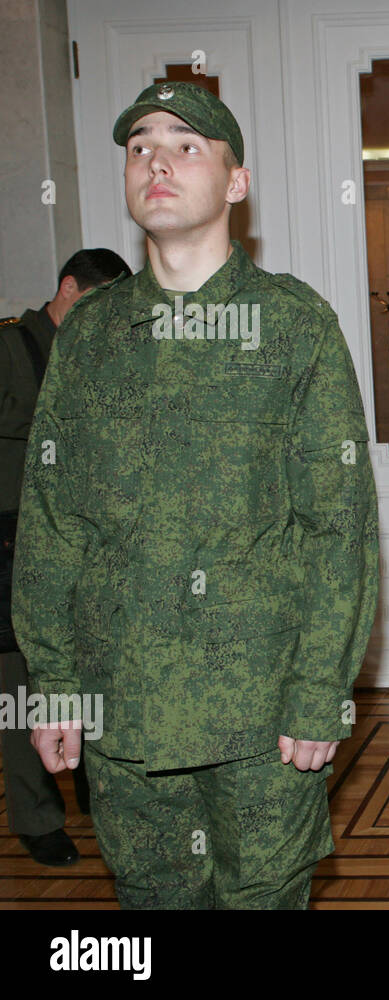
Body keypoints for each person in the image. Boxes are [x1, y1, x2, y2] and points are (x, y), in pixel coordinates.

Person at [12, 82, 379, 908]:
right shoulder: (93, 338)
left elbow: (337, 529)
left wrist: (321, 691)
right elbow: (53, 525)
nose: (157, 161)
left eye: (186, 144)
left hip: (261, 724)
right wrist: (55, 681)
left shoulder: (293, 327)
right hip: (125, 718)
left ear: (236, 181)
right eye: (140, 146)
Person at [1, 248, 129, 866]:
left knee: (90, 679)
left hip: (83, 548)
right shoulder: (7, 352)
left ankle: (99, 801)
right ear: (68, 289)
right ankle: (37, 819)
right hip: (9, 547)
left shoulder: (103, 360)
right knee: (22, 691)